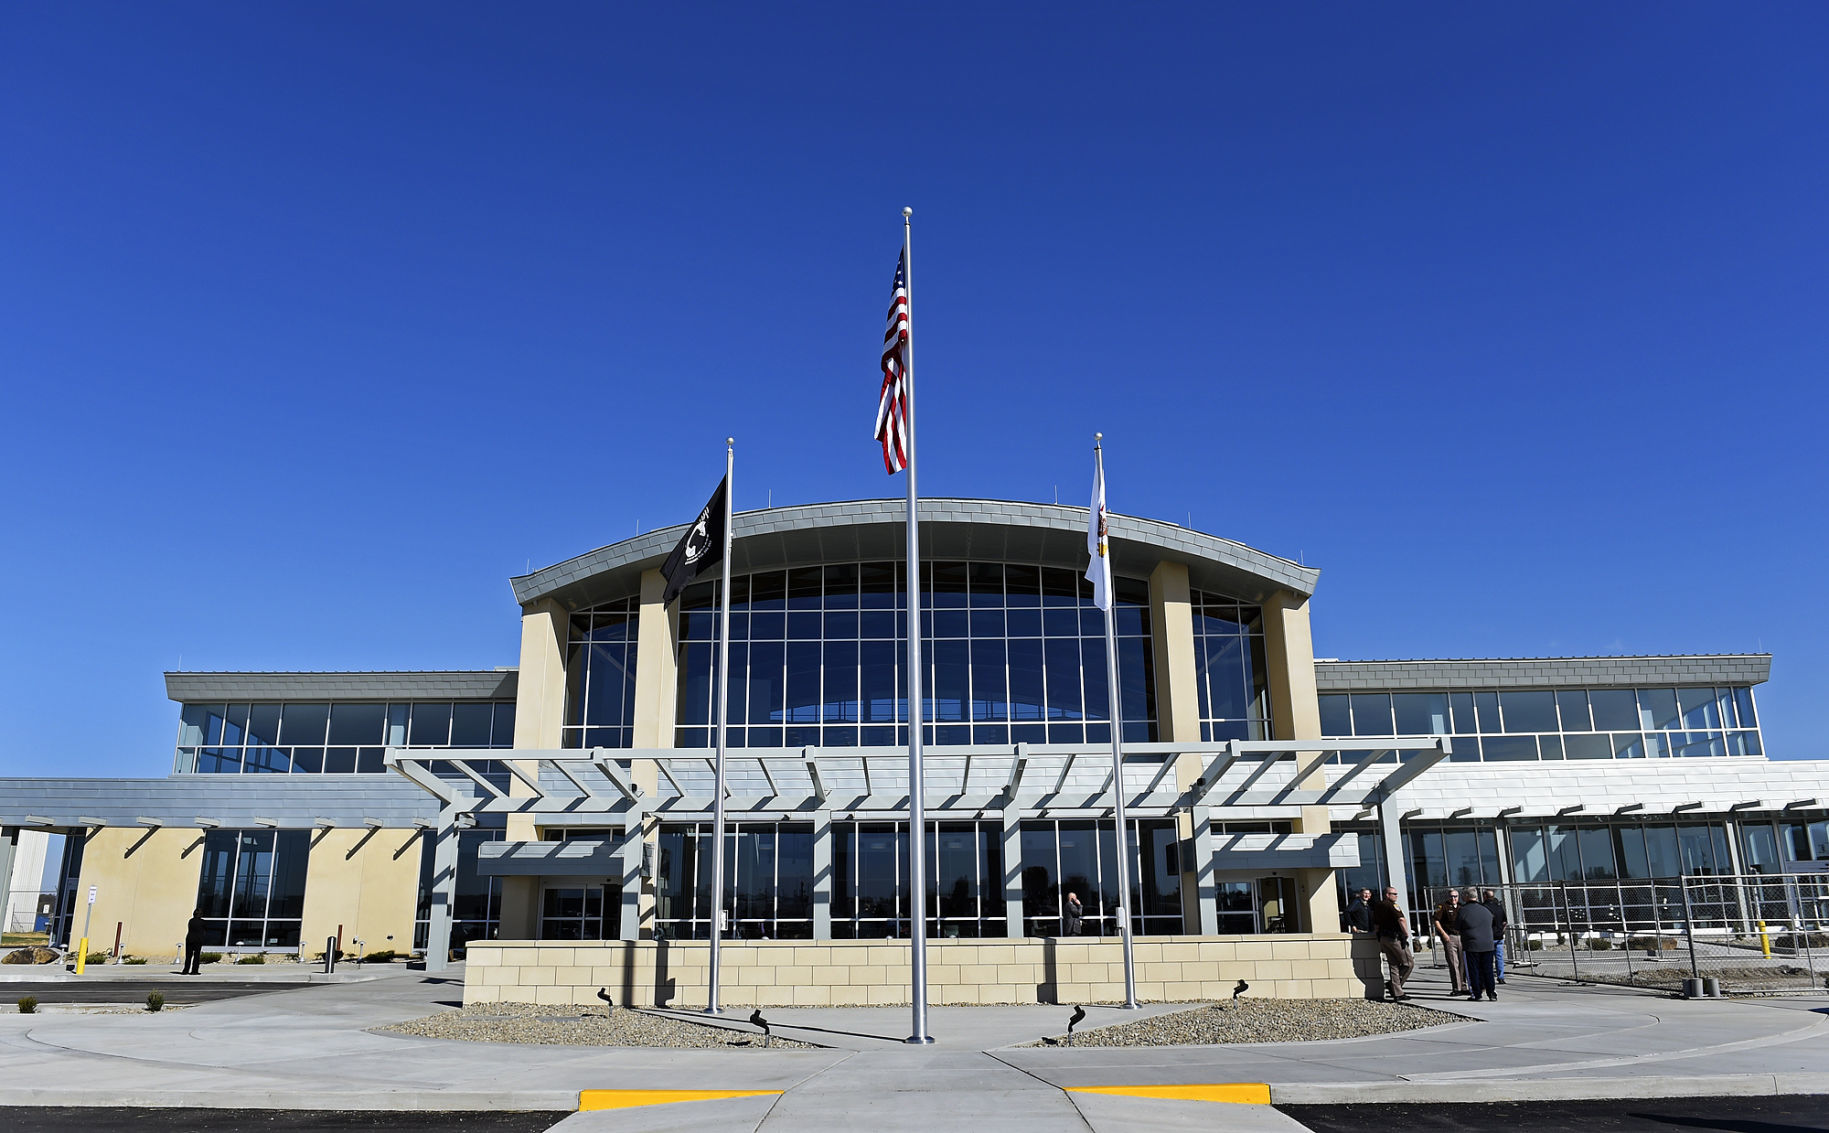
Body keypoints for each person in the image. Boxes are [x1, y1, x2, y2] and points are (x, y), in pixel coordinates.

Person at [1369, 885, 1413, 1001]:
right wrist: (1406, 933)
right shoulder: (1392, 905)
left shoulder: (1378, 906)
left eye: (1396, 894)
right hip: (1395, 939)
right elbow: (1401, 919)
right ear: (1387, 895)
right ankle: (1394, 985)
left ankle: (1398, 993)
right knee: (1408, 963)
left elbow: (1376, 925)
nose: (1396, 896)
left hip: (1384, 938)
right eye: (1394, 894)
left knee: (1393, 965)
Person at [1457, 886, 1497, 1001]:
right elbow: (1493, 924)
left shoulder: (1463, 910)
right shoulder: (1485, 909)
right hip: (1488, 944)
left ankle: (1476, 993)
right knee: (1488, 970)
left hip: (1472, 945)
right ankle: (1491, 993)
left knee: (1473, 970)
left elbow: (1457, 926)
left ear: (1466, 897)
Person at [1432, 889, 1465, 996]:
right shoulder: (1443, 907)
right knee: (1453, 963)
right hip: (1450, 937)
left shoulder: (1461, 907)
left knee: (1462, 963)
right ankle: (1457, 988)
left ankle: (1463, 986)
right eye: (1451, 896)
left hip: (1462, 936)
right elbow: (1436, 920)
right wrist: (1443, 934)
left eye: (1455, 896)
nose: (1453, 898)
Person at [1482, 888, 1509, 984]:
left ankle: (1488, 976)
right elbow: (1505, 922)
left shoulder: (1483, 907)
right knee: (1499, 957)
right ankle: (1500, 976)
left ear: (1485, 896)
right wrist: (1502, 931)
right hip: (1499, 936)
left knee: (1487, 958)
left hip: (1488, 936)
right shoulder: (1499, 907)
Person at [181, 907, 206, 975]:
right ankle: (194, 971)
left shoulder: (191, 921)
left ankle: (185, 970)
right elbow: (204, 929)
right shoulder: (202, 922)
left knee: (188, 956)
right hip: (198, 940)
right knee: (196, 956)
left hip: (189, 939)